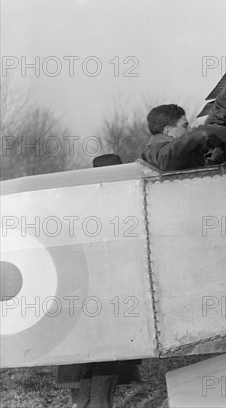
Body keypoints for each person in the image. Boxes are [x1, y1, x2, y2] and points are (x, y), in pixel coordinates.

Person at [56, 155, 141, 408]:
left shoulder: (78, 205)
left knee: (92, 367)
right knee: (99, 363)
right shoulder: (120, 205)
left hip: (89, 300)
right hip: (100, 299)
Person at [141, 104, 226, 171]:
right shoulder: (158, 155)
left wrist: (213, 162)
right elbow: (200, 135)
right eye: (185, 126)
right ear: (168, 131)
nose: (189, 129)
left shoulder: (166, 154)